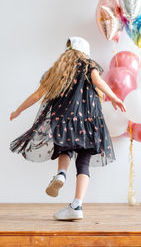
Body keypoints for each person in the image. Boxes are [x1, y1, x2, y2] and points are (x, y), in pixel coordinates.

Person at [10, 36, 126, 221]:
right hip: (89, 121)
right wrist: (114, 97)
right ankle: (77, 204)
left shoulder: (57, 71)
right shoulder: (89, 65)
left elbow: (37, 95)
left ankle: (61, 174)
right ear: (85, 52)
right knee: (84, 162)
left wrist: (18, 110)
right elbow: (98, 82)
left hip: (63, 120)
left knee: (65, 150)